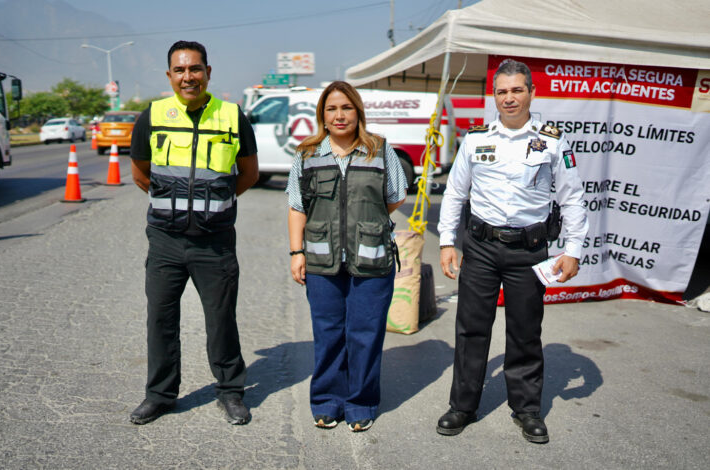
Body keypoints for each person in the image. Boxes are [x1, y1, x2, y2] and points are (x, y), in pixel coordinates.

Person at [436, 59, 588, 443]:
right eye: (502, 91)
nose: (509, 98)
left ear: (531, 93)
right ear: (494, 96)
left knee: (524, 332)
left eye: (517, 89)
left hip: (529, 251)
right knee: (471, 329)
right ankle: (463, 406)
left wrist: (573, 250)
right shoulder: (476, 139)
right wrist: (447, 242)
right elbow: (455, 193)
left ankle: (527, 409)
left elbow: (572, 199)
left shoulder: (552, 142)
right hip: (481, 247)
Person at [128, 40, 259, 426]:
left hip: (214, 242)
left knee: (221, 319)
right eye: (180, 70)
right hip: (166, 240)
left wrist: (212, 205)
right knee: (161, 319)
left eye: (195, 69)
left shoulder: (233, 117)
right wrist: (176, 204)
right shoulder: (152, 116)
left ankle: (231, 391)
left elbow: (248, 174)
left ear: (208, 72)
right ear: (170, 75)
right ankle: (160, 395)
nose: (189, 76)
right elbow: (140, 174)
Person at [286, 81, 407, 432]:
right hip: (322, 261)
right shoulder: (306, 154)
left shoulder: (380, 150)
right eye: (331, 109)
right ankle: (326, 401)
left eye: (346, 108)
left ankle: (361, 403)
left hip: (372, 259)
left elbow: (395, 196)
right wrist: (297, 252)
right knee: (328, 333)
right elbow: (297, 207)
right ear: (322, 115)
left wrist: (365, 220)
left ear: (358, 112)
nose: (339, 116)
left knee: (366, 334)